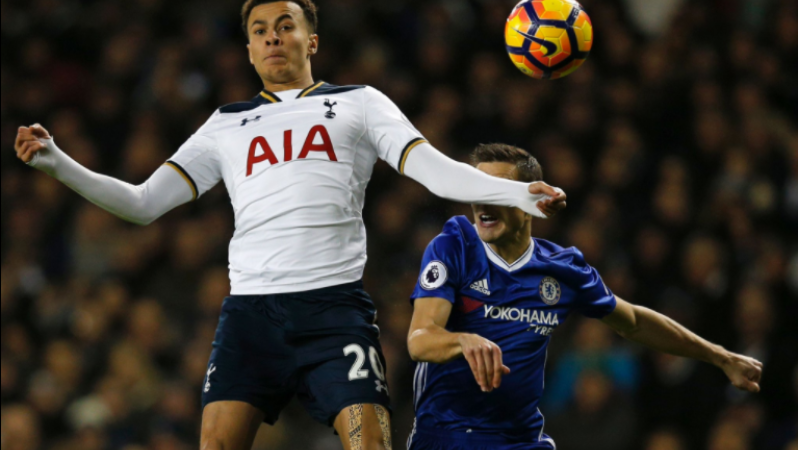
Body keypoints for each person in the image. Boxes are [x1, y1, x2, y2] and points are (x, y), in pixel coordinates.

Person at [12, 1, 567, 449]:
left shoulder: (359, 103)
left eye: (285, 25)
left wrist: (515, 192)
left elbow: (434, 172)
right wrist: (56, 162)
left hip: (333, 311)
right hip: (251, 313)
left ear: (312, 40)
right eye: (260, 30)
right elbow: (142, 203)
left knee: (371, 445)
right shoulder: (224, 125)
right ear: (249, 49)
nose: (273, 37)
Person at [406, 144, 763, 450]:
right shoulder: (455, 246)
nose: (484, 201)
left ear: (531, 200)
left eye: (498, 190)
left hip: (521, 440)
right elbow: (420, 339)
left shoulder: (562, 268)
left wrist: (721, 357)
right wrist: (462, 341)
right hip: (448, 436)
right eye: (476, 187)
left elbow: (635, 323)